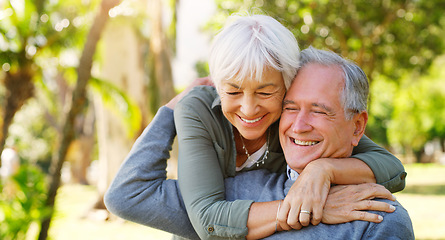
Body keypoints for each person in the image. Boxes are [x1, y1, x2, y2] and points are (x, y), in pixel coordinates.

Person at [105, 48, 413, 239]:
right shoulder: (229, 194)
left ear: (357, 126)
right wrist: (170, 111)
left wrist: (324, 170)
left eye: (319, 111)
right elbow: (127, 194)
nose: (299, 124)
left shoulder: (375, 217)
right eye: (290, 108)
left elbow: (395, 169)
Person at [173, 14, 405, 239]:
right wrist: (310, 207)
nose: (249, 108)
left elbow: (393, 169)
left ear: (286, 86)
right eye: (233, 91)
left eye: (265, 92)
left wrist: (323, 169)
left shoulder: (287, 119)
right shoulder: (200, 111)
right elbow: (205, 220)